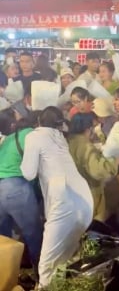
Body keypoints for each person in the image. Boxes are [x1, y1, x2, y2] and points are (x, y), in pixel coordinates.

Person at [21, 106, 93, 288]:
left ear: (38, 122)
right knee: (65, 258)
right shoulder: (60, 137)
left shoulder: (34, 136)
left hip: (64, 199)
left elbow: (28, 173)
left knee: (46, 263)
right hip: (84, 198)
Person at [0, 114, 43, 278]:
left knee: (3, 238)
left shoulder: (9, 138)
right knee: (33, 232)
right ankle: (40, 275)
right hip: (16, 188)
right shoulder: (32, 134)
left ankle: (6, 276)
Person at [69, 113, 119, 222]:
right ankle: (90, 240)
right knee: (90, 227)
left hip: (72, 194)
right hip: (89, 194)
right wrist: (114, 161)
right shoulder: (86, 147)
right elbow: (98, 171)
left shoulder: (68, 142)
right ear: (88, 129)